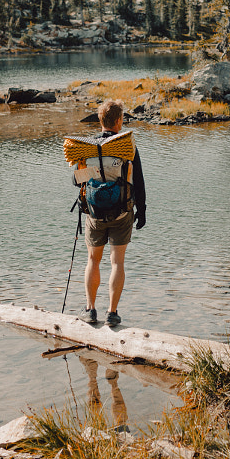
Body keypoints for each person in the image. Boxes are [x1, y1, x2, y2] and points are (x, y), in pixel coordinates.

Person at [81, 98, 146, 327]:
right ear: (119, 121)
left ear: (100, 120)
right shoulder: (127, 146)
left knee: (93, 259)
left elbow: (77, 179)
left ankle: (90, 311)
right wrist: (143, 210)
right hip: (122, 212)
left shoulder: (87, 147)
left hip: (95, 214)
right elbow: (138, 180)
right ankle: (112, 313)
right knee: (117, 262)